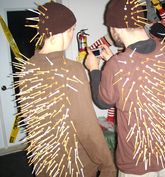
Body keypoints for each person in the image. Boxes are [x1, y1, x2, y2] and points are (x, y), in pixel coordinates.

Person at [85, 0, 165, 176]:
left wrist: (94, 69)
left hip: (137, 159)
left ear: (114, 29)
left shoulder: (118, 65)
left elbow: (103, 101)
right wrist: (112, 61)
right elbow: (140, 76)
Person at [16, 2, 116, 177]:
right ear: (60, 33)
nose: (72, 36)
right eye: (71, 30)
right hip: (75, 166)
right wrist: (107, 164)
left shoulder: (27, 68)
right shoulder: (72, 70)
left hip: (44, 162)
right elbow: (87, 127)